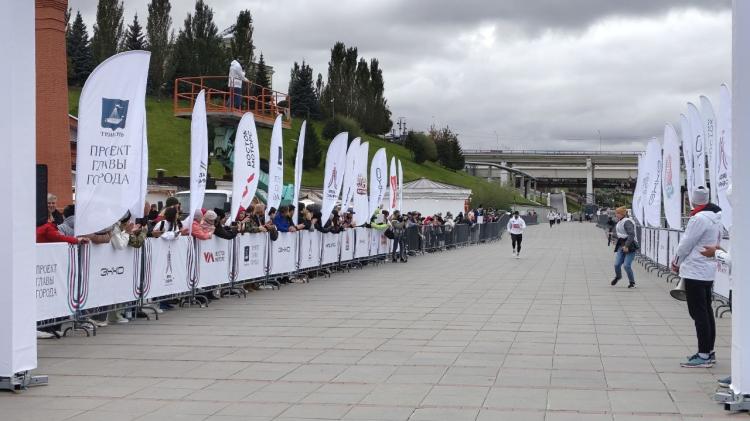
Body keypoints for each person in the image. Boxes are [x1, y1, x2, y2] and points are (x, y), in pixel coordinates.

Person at [671, 186, 722, 368]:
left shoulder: (698, 218)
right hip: (707, 270)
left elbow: (687, 243)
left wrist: (676, 261)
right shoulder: (716, 217)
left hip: (695, 270)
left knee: (698, 314)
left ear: (693, 201)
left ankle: (703, 355)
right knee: (706, 312)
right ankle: (708, 351)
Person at [611, 206, 638, 288]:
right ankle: (618, 276)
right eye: (616, 213)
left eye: (617, 213)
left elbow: (631, 234)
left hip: (630, 246)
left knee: (626, 265)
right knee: (617, 264)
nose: (616, 214)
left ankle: (632, 282)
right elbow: (620, 234)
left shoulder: (627, 222)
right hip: (621, 245)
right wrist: (613, 236)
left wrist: (626, 246)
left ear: (622, 214)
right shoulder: (620, 222)